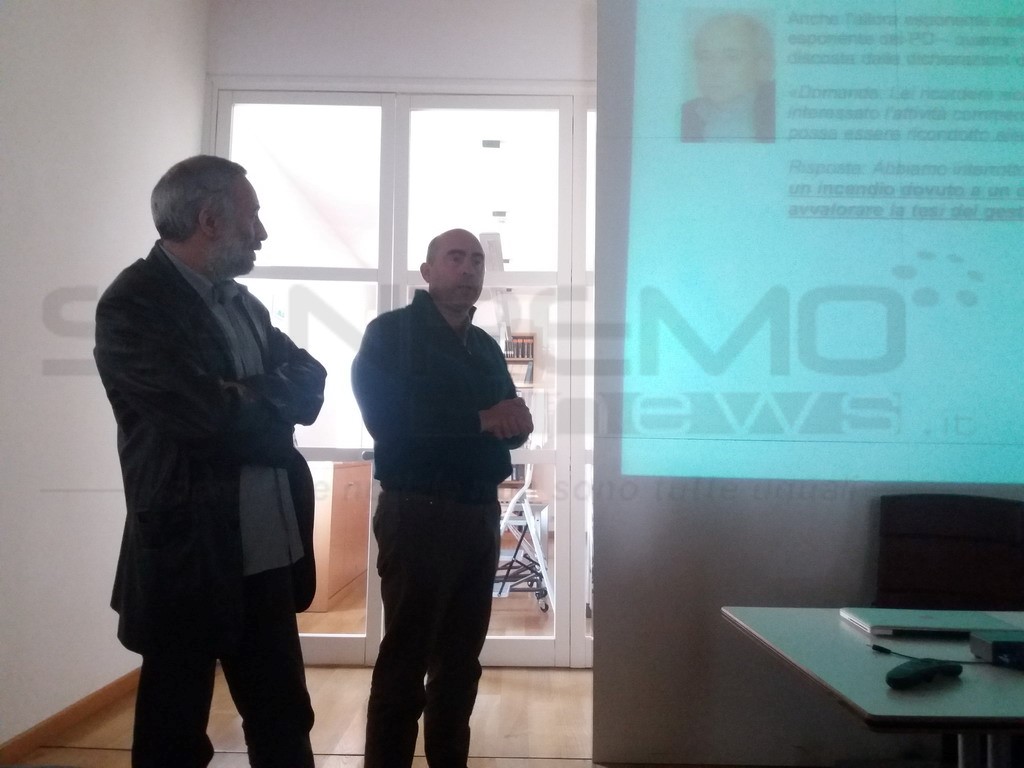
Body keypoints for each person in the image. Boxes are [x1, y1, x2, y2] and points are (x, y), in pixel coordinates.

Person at [93, 155, 327, 768]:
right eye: (252, 216)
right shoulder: (133, 304)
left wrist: (246, 398)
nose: (261, 232)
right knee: (173, 739)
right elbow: (205, 418)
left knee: (284, 721)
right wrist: (264, 404)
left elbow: (312, 378)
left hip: (267, 555)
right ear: (209, 220)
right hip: (187, 559)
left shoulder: (245, 304)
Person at [352, 228, 534, 768]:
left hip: (479, 513)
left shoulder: (485, 347)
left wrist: (514, 421)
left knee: (460, 660)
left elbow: (508, 422)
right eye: (456, 258)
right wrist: (483, 419)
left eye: (477, 260)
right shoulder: (391, 334)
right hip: (417, 511)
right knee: (406, 659)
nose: (469, 268)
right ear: (427, 271)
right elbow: (388, 421)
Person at [681, 12, 776, 143]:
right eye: (705, 57)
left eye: (731, 57)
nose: (714, 70)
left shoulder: (781, 109)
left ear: (762, 65)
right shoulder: (683, 115)